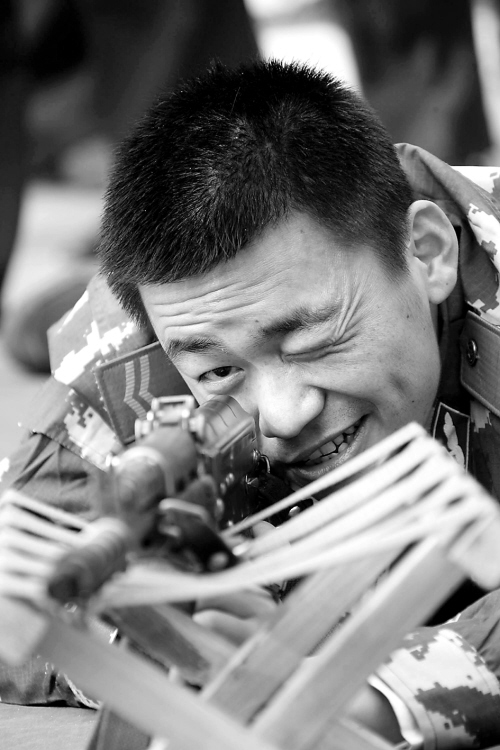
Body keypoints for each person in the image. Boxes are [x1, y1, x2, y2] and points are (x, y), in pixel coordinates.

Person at [1, 59, 500, 748]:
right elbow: (20, 597)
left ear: (429, 252)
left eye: (310, 339)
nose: (284, 414)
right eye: (218, 371)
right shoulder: (148, 344)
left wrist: (365, 691)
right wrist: (163, 636)